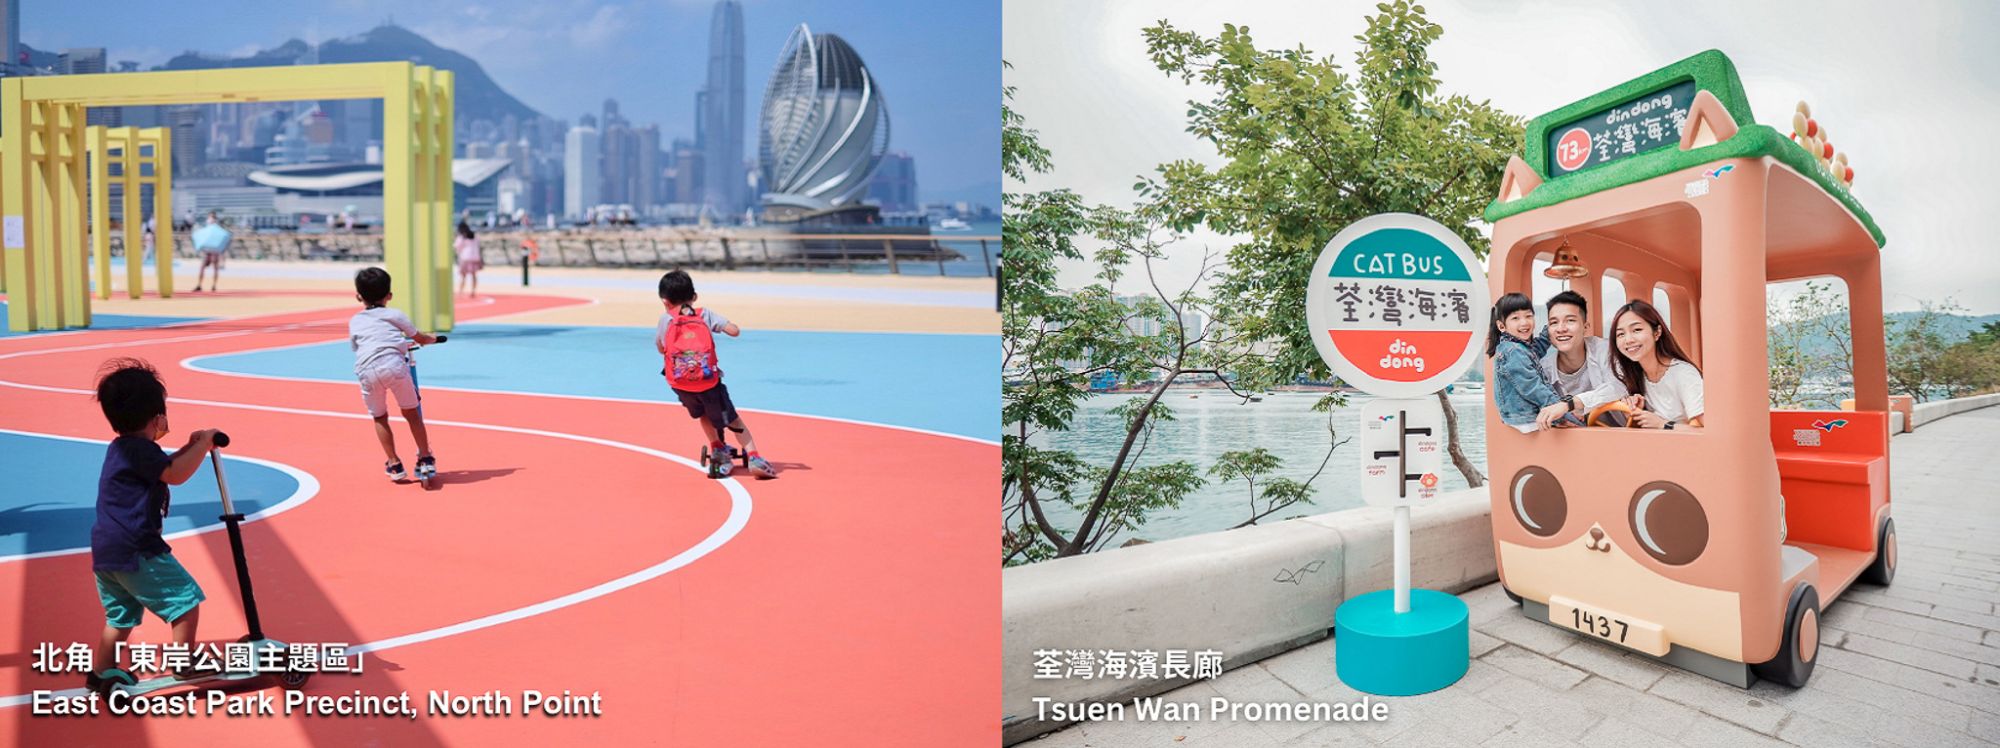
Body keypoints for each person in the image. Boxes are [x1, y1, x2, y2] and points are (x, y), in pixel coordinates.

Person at [85, 359, 221, 691]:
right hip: (137, 548)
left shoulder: (125, 448)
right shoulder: (139, 450)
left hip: (108, 550)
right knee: (185, 602)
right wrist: (203, 445)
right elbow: (174, 475)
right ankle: (184, 665)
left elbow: (165, 465)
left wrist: (191, 446)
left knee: (121, 615)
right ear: (155, 414)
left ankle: (101, 672)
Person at [657, 270, 774, 478]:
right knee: (733, 420)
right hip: (709, 382)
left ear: (665, 301)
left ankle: (718, 450)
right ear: (694, 297)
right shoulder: (703, 314)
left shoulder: (665, 320)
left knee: (703, 414)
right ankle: (754, 457)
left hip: (680, 384)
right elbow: (734, 331)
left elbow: (661, 347)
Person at [350, 268, 441, 480]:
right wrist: (434, 339)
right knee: (411, 412)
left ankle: (394, 463)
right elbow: (419, 338)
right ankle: (425, 457)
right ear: (389, 295)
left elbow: (356, 346)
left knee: (379, 416)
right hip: (394, 365)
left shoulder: (355, 320)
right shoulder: (395, 314)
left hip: (366, 369)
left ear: (358, 296)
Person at [1533, 290, 1627, 429]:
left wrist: (1570, 404)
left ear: (1585, 327)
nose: (1561, 329)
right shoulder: (1543, 369)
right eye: (1554, 322)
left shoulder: (1605, 350)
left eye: (1570, 320)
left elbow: (1618, 386)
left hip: (1622, 437)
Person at [1609, 299, 1704, 429]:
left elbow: (1707, 432)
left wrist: (1662, 424)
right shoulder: (1635, 377)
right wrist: (1635, 414)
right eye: (1620, 334)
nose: (1628, 340)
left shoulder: (1684, 373)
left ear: (1657, 332)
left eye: (1636, 330)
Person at [1488, 292, 1569, 433]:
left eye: (1528, 316)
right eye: (1515, 318)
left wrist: (1550, 328)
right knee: (1578, 421)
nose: (1524, 322)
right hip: (1526, 418)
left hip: (1522, 415)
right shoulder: (1513, 351)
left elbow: (1537, 350)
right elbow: (1532, 386)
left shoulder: (1519, 347)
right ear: (1501, 326)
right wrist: (1559, 409)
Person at [191, 212, 231, 293]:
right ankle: (200, 285)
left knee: (214, 268)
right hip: (207, 251)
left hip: (213, 251)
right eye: (209, 217)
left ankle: (213, 285)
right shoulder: (209, 228)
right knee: (203, 268)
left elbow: (224, 237)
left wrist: (222, 253)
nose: (210, 219)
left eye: (211, 217)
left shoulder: (215, 228)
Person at [454, 221, 482, 298]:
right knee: (473, 275)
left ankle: (460, 291)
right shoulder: (474, 236)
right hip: (475, 257)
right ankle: (473, 291)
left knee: (463, 276)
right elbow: (478, 245)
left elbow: (457, 247)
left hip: (465, 257)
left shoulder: (461, 237)